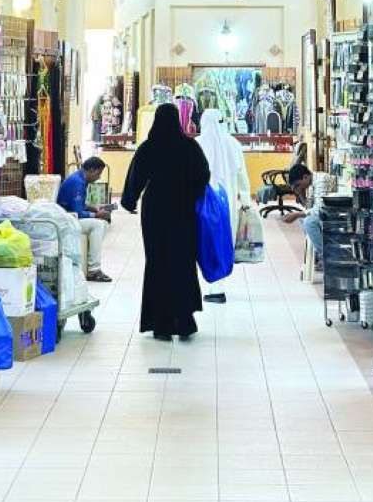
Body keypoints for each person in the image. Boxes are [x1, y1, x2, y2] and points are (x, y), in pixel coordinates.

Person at [121, 102, 210, 341]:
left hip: (155, 212)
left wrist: (129, 200)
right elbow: (203, 174)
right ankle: (184, 321)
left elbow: (135, 177)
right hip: (183, 211)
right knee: (182, 261)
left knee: (157, 262)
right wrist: (191, 193)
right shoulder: (189, 147)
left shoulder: (149, 147)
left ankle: (160, 323)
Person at [197, 108, 251, 239]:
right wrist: (245, 200)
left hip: (203, 198)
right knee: (228, 229)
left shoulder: (197, 143)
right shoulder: (233, 143)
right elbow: (242, 174)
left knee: (204, 235)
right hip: (228, 194)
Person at [56, 157, 112, 283]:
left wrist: (94, 208)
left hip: (70, 216)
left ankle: (93, 266)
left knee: (101, 224)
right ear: (91, 170)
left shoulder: (79, 178)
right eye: (98, 173)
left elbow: (79, 205)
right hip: (67, 220)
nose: (98, 177)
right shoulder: (78, 182)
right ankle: (94, 270)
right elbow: (78, 212)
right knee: (98, 225)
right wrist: (96, 215)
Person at [285, 162, 322, 259]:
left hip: (334, 212)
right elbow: (309, 208)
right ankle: (315, 252)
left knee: (309, 222)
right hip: (325, 211)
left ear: (305, 177)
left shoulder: (320, 181)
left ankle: (324, 254)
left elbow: (319, 209)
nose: (299, 187)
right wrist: (300, 193)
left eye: (298, 185)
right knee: (304, 220)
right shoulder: (311, 183)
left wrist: (297, 214)